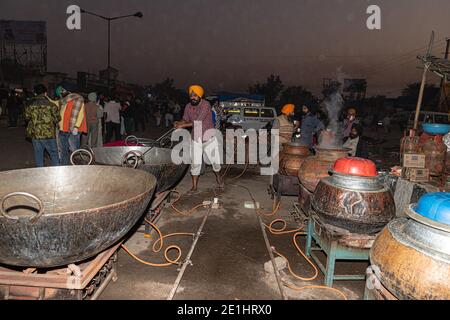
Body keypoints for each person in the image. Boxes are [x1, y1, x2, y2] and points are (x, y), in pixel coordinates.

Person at [174, 85, 223, 193]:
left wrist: (183, 126)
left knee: (215, 162)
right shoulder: (188, 106)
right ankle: (194, 187)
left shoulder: (206, 104)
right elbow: (185, 119)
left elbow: (198, 122)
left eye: (195, 95)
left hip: (208, 138)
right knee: (195, 163)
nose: (193, 97)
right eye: (191, 95)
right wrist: (179, 123)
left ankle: (218, 177)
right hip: (195, 138)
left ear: (200, 96)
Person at [24, 84, 60, 167]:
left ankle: (40, 174)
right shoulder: (52, 105)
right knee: (54, 155)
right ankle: (58, 174)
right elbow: (57, 119)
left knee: (38, 155)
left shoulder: (30, 105)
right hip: (49, 134)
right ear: (45, 93)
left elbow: (26, 117)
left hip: (36, 135)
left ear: (35, 93)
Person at [56, 84, 87, 165]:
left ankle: (78, 166)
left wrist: (76, 126)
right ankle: (64, 166)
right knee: (63, 150)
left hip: (72, 129)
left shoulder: (78, 99)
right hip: (63, 129)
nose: (61, 94)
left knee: (74, 150)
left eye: (61, 92)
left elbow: (81, 114)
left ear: (66, 91)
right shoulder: (65, 100)